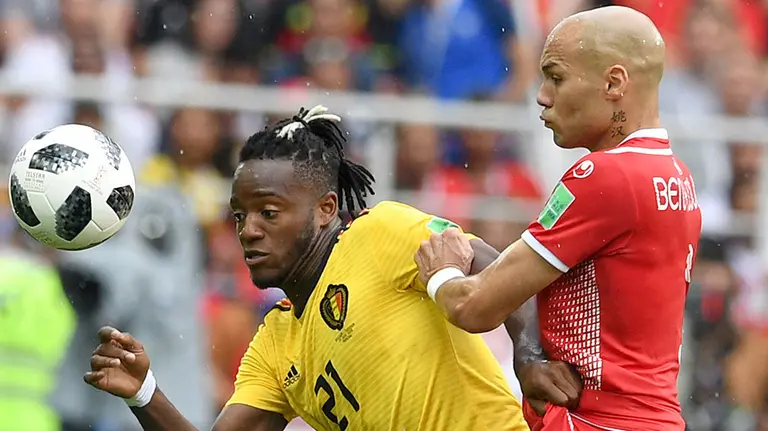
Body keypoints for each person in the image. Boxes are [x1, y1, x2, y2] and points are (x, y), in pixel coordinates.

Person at [84, 105, 582, 430]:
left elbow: (496, 268)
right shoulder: (275, 345)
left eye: (268, 213)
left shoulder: (379, 232)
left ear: (325, 209)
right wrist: (144, 393)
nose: (248, 230)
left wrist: (529, 354)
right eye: (240, 216)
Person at [414, 6, 701, 431]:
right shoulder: (676, 175)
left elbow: (474, 306)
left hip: (598, 422)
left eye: (556, 77)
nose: (543, 96)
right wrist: (529, 352)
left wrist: (440, 273)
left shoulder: (605, 176)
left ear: (614, 83)